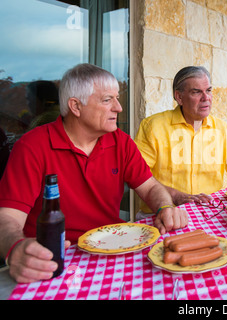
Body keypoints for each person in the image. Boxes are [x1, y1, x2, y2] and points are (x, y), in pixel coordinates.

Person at [0, 64, 189, 283]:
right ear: (76, 106)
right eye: (107, 100)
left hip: (116, 251)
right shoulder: (33, 146)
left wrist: (165, 207)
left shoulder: (121, 141)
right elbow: (7, 218)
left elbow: (151, 187)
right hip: (54, 262)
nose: (118, 108)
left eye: (117, 98)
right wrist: (16, 248)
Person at [134, 66, 227, 215]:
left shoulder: (221, 128)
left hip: (210, 212)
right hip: (162, 212)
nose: (206, 98)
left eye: (208, 90)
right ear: (179, 97)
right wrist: (176, 196)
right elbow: (138, 177)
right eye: (196, 92)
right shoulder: (153, 127)